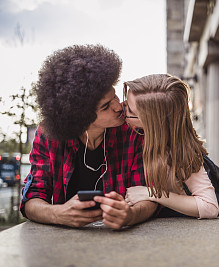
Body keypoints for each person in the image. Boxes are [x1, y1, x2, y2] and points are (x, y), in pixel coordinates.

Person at [20, 44, 157, 229]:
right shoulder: (48, 136)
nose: (119, 106)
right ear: (80, 117)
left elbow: (149, 194)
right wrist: (58, 214)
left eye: (115, 97)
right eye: (106, 106)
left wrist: (131, 215)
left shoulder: (134, 129)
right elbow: (32, 199)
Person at [123, 74, 219, 219]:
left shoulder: (179, 152)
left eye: (128, 110)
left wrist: (153, 193)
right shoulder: (130, 134)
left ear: (151, 123)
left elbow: (209, 206)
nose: (120, 108)